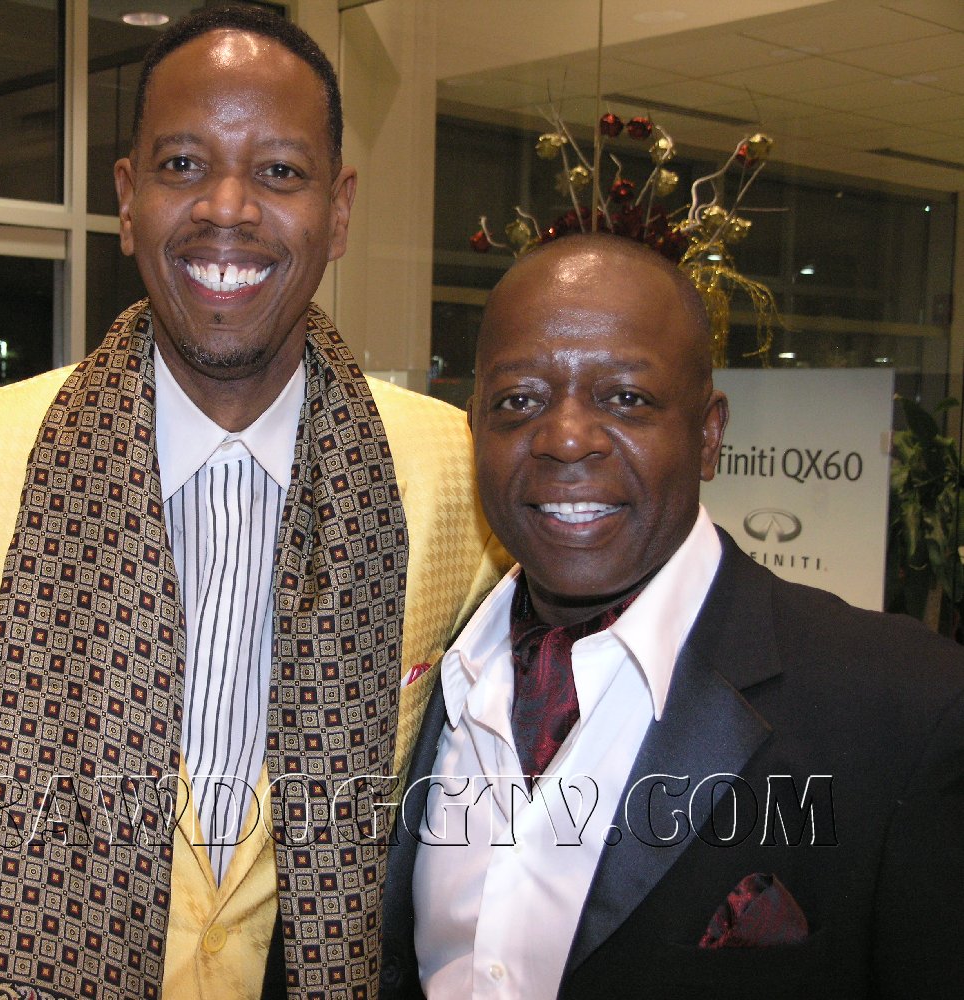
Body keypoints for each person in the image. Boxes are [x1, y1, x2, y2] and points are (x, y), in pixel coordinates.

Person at [0, 7, 499, 1000]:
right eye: (183, 164)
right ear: (127, 198)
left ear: (339, 210)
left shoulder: (450, 474)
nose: (227, 208)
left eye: (280, 171)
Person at [382, 233, 964, 999]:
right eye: (518, 400)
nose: (564, 439)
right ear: (475, 430)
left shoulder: (908, 709)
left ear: (708, 434)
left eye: (625, 398)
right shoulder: (415, 674)